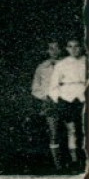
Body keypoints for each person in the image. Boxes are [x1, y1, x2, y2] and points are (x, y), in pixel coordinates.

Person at [49, 38, 86, 170]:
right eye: (70, 46)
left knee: (84, 129)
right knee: (72, 130)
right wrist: (59, 99)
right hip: (67, 99)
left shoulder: (86, 62)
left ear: (81, 47)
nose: (74, 49)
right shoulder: (62, 64)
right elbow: (53, 86)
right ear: (66, 49)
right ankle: (75, 160)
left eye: (76, 46)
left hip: (83, 96)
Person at [33, 41, 65, 170]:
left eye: (57, 48)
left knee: (72, 131)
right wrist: (45, 97)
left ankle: (74, 161)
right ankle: (58, 165)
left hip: (67, 101)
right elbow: (35, 88)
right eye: (51, 48)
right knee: (54, 132)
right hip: (50, 103)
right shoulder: (42, 67)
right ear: (47, 51)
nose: (54, 51)